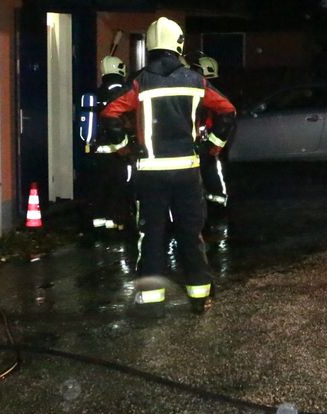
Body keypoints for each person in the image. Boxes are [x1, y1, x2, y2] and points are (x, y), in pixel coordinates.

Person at [100, 18, 236, 314]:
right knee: (190, 233)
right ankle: (200, 296)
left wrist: (125, 148)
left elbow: (111, 113)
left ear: (150, 45)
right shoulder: (195, 80)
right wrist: (211, 146)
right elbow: (227, 110)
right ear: (179, 44)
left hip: (150, 173)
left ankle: (151, 300)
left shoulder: (140, 81)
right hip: (187, 172)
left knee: (151, 235)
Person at [81, 56, 133, 239]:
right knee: (117, 190)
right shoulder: (119, 91)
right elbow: (120, 121)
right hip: (115, 154)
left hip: (97, 153)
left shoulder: (98, 92)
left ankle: (98, 226)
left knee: (99, 190)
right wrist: (125, 146)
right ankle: (115, 227)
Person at [190, 54, 231, 227]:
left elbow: (221, 117)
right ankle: (215, 208)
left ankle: (217, 210)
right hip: (208, 144)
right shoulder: (210, 89)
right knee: (210, 177)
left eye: (196, 69)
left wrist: (212, 144)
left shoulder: (208, 91)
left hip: (209, 146)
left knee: (213, 176)